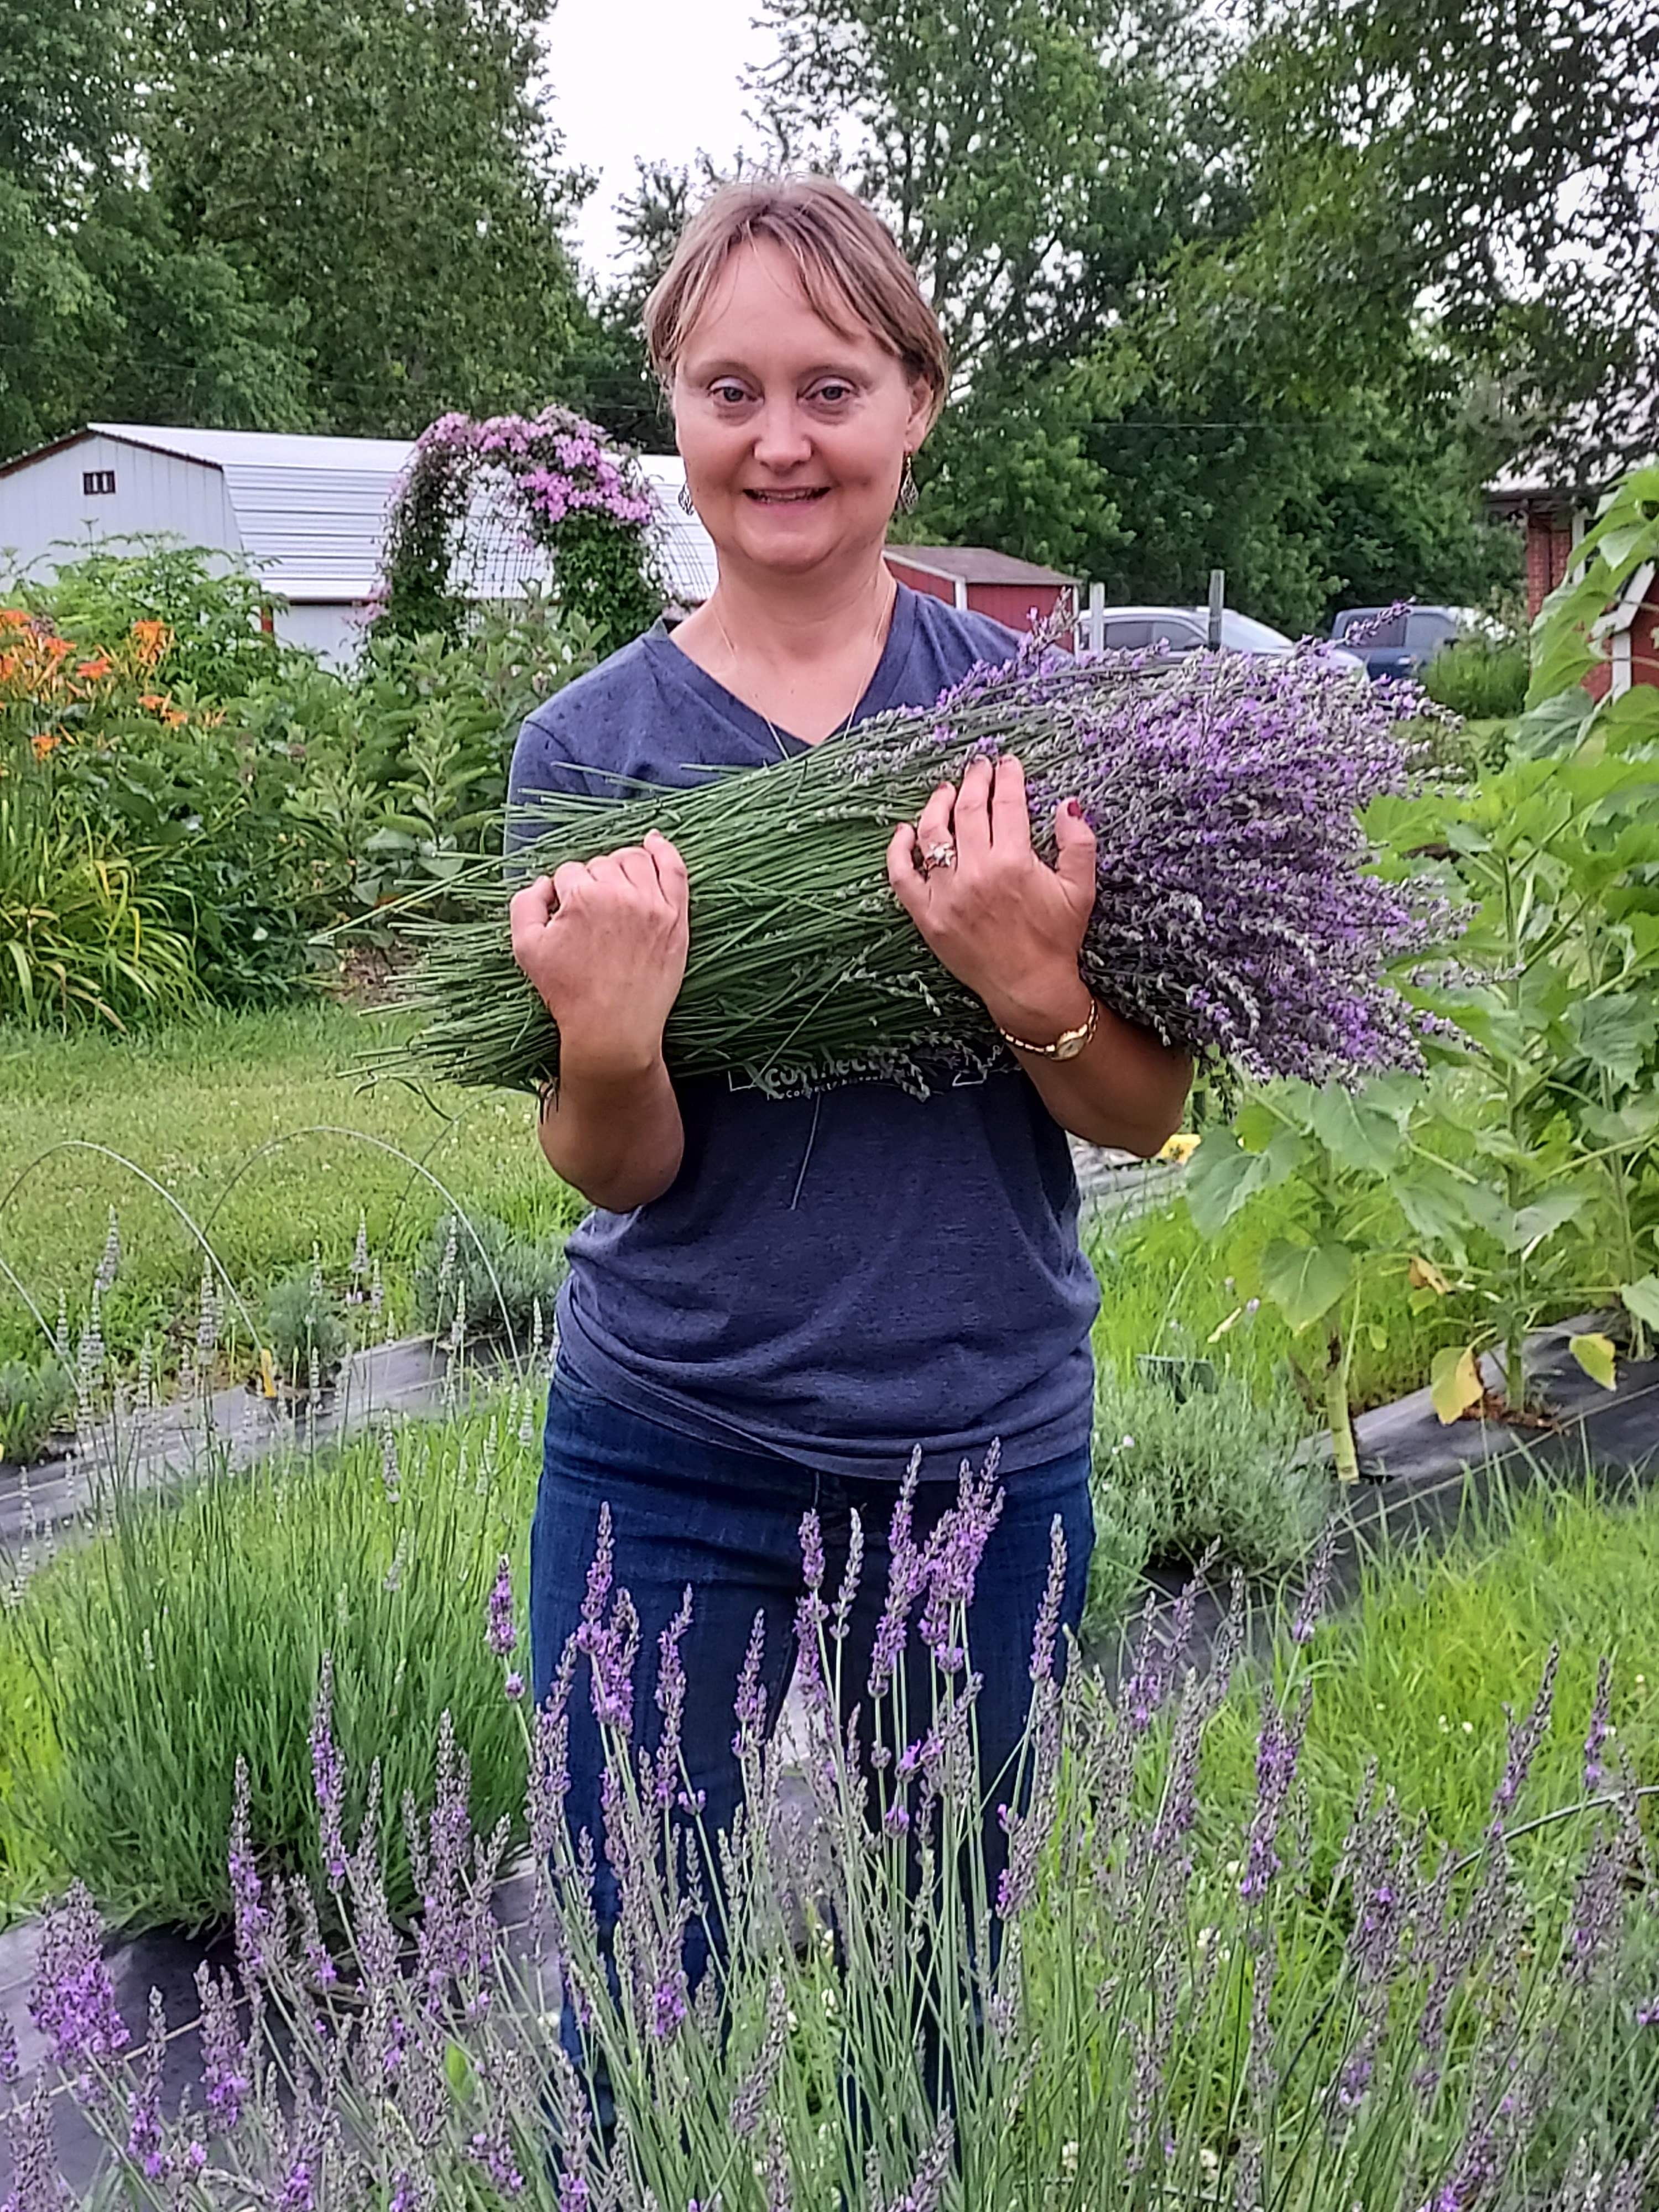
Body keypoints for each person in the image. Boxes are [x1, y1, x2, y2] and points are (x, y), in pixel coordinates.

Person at [505, 175, 1191, 2093]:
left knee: (933, 2004)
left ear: (915, 400)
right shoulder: (588, 749)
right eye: (729, 389)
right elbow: (610, 1167)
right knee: (631, 2016)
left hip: (978, 1451)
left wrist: (1030, 980)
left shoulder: (1052, 718)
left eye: (831, 385)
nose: (780, 439)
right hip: (670, 1447)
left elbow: (1149, 1117)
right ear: (674, 413)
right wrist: (620, 1050)